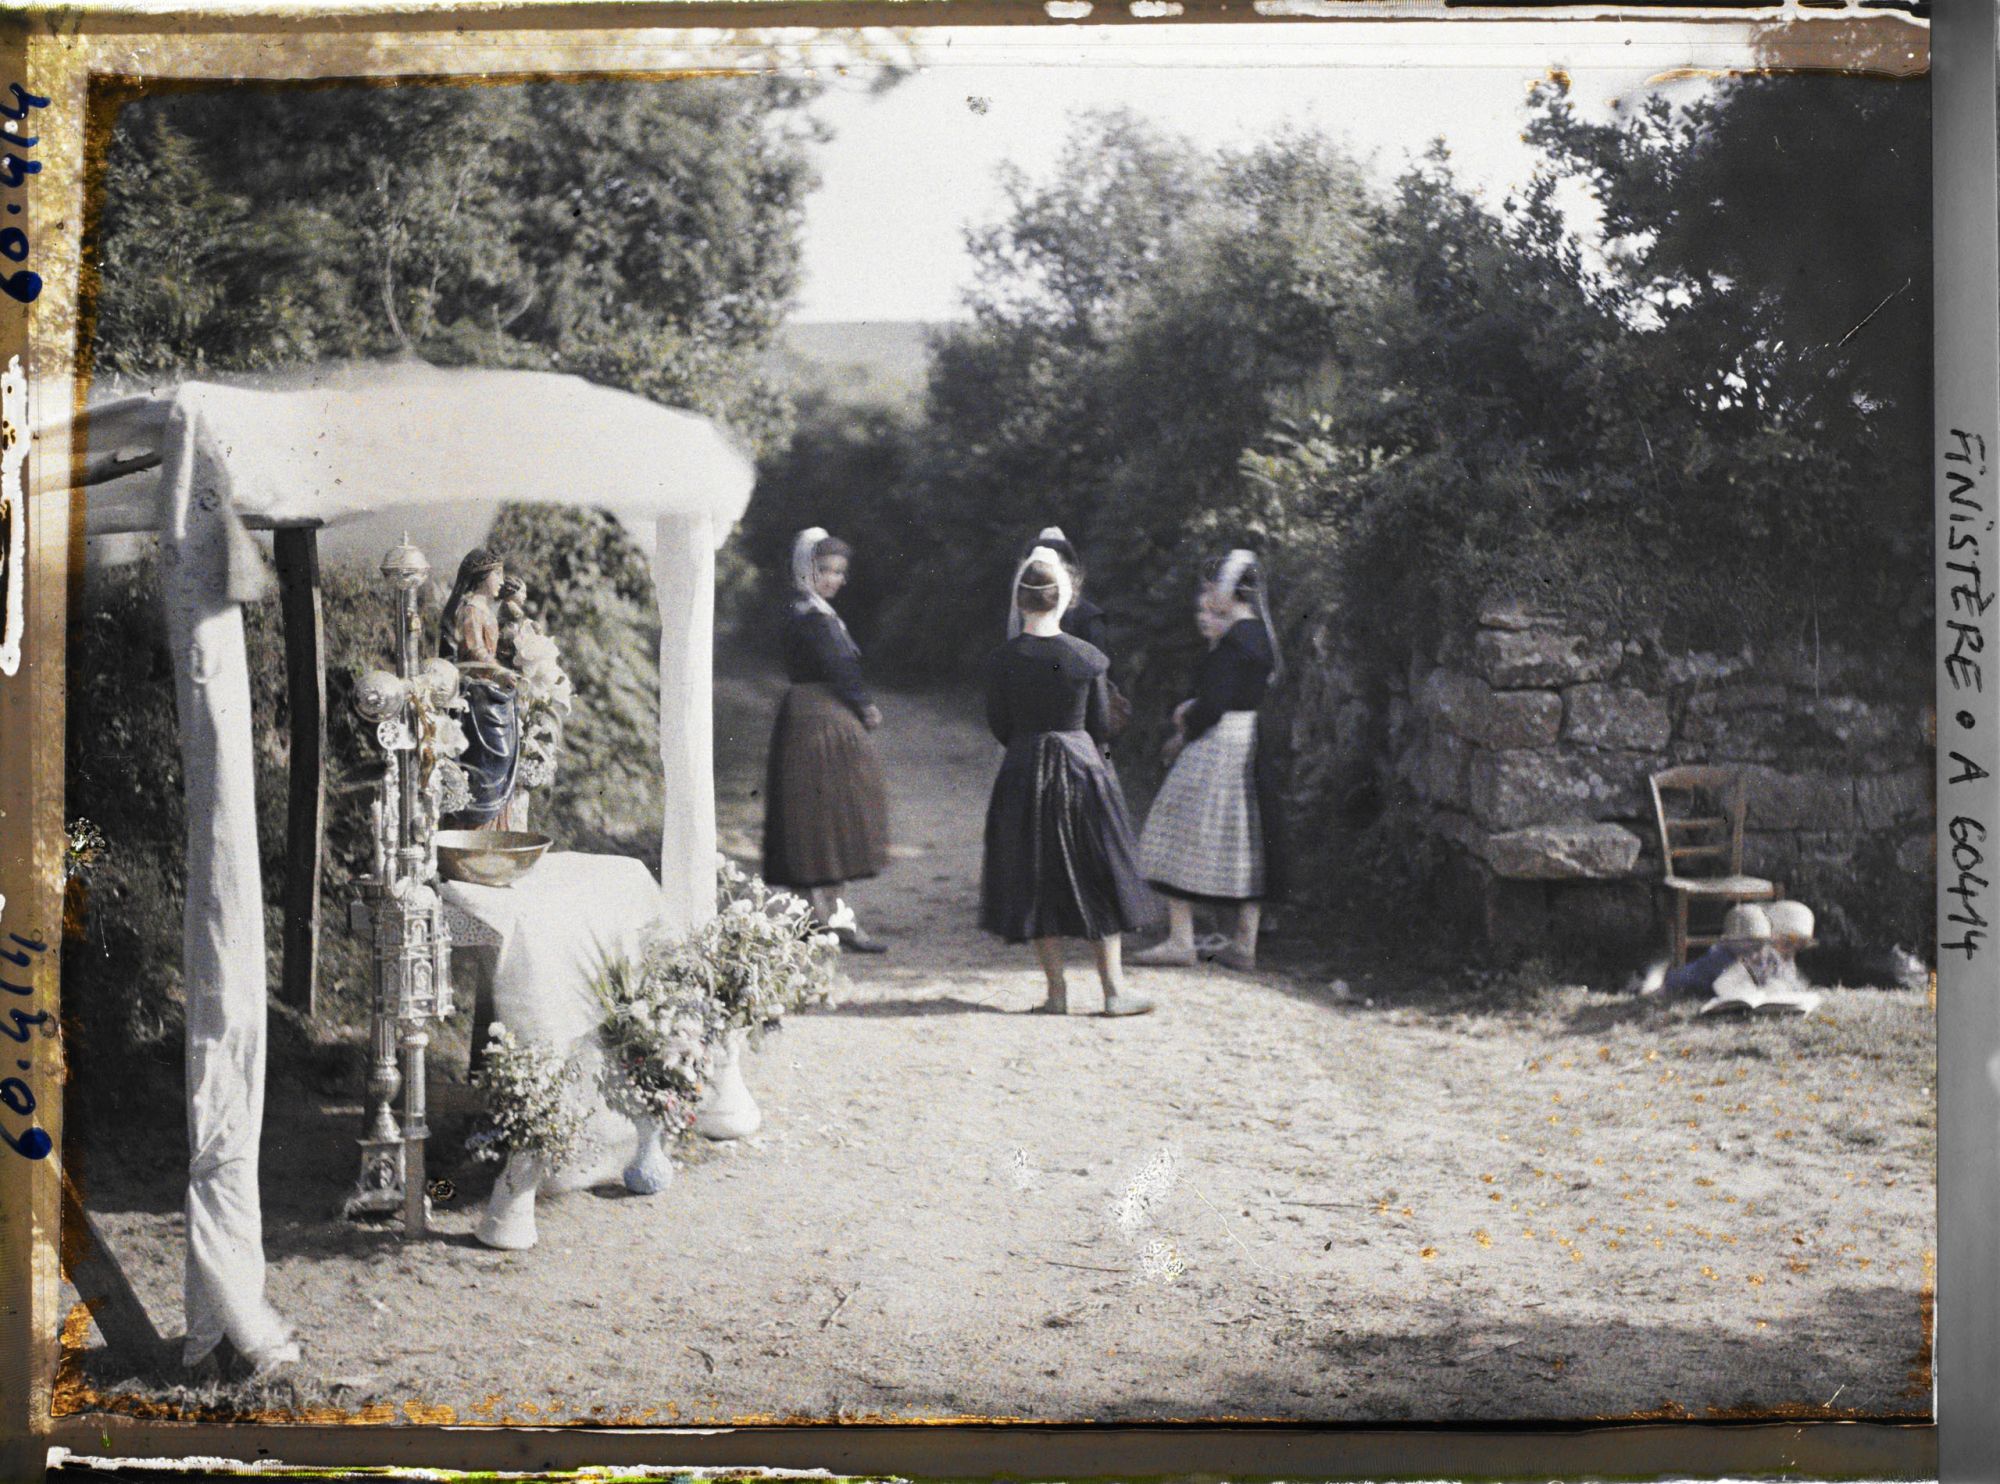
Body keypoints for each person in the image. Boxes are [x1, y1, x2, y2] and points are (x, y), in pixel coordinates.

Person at [981, 546, 1158, 1016]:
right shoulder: (1087, 657)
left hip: (1024, 768)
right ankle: (1114, 991)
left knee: (1035, 878)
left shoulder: (1002, 660)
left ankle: (1056, 993)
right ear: (1064, 599)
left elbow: (999, 723)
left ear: (1020, 601)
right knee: (1098, 875)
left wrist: (1027, 743)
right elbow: (1101, 723)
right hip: (1081, 767)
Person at [1131, 550, 1286, 971]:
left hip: (1221, 743)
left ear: (1228, 589)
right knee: (1243, 838)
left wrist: (1186, 724)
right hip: (1247, 738)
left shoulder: (1237, 639)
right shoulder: (1258, 636)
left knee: (1173, 824)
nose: (1207, 595)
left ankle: (1181, 939)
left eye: (1212, 586)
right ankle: (1243, 944)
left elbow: (1217, 702)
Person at [762, 527, 889, 952]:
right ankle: (834, 919)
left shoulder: (806, 609)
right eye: (825, 570)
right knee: (826, 816)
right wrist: (865, 706)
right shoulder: (814, 618)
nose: (834, 579)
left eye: (839, 571)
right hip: (820, 718)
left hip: (806, 715)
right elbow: (840, 668)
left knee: (810, 817)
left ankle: (815, 917)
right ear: (805, 569)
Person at [438, 547, 522, 830]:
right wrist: (499, 671)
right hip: (478, 697)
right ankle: (477, 830)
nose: (501, 580)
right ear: (482, 576)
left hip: (492, 694)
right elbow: (474, 651)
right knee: (491, 760)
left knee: (502, 758)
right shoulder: (471, 609)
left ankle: (496, 830)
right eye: (497, 573)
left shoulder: (484, 608)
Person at [1639, 900, 1808, 997]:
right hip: (1683, 981)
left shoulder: (1762, 954)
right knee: (1663, 987)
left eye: (1758, 945)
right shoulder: (1721, 958)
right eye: (1746, 945)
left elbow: (1781, 975)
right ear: (1728, 942)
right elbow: (1723, 986)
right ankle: (1653, 975)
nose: (1754, 951)